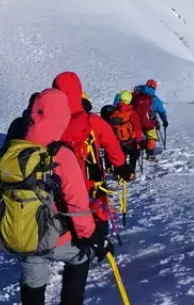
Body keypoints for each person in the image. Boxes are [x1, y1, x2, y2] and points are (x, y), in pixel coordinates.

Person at [0, 88, 110, 305]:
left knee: (32, 274)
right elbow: (77, 204)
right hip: (54, 235)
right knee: (80, 257)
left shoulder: (11, 149)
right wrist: (89, 235)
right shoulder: (59, 153)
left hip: (19, 233)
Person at [51, 72, 134, 224]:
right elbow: (112, 145)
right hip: (91, 185)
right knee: (95, 217)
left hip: (60, 186)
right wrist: (122, 166)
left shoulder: (50, 124)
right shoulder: (92, 121)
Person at [107, 90, 146, 173]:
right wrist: (140, 140)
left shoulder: (115, 113)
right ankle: (131, 172)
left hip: (119, 141)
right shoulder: (132, 113)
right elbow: (137, 128)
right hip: (131, 140)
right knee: (134, 155)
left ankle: (119, 173)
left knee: (121, 158)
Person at [132, 79, 168, 160]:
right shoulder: (154, 99)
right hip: (149, 122)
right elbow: (161, 111)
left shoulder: (136, 94)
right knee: (151, 136)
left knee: (136, 136)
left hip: (135, 120)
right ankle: (150, 154)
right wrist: (164, 121)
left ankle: (136, 152)